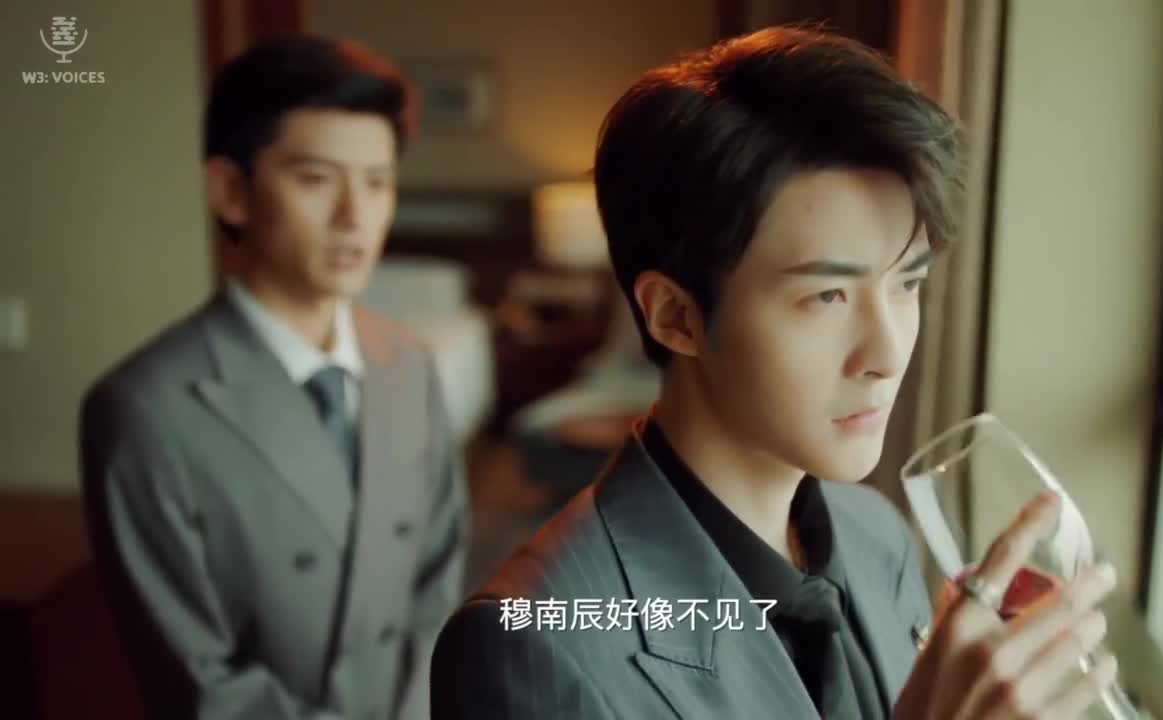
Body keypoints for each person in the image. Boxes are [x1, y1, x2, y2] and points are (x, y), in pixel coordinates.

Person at [431, 26, 1118, 719]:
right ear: (675, 316)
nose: (886, 355)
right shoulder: (530, 642)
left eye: (907, 284)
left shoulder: (876, 533)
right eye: (828, 297)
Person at [80, 35, 469, 720]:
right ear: (231, 191)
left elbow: (438, 583)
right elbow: (196, 679)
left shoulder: (409, 364)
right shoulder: (144, 408)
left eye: (377, 182)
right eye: (317, 179)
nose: (355, 216)